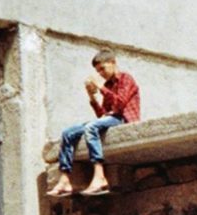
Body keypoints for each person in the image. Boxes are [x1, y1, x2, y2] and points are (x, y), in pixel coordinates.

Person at [47, 49, 140, 196]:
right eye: (98, 71)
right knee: (68, 133)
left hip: (124, 119)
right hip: (111, 118)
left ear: (113, 62)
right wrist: (91, 95)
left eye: (103, 68)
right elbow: (102, 115)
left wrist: (100, 87)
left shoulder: (126, 79)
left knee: (91, 127)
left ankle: (100, 176)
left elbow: (120, 104)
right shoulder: (108, 85)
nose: (101, 73)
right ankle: (64, 179)